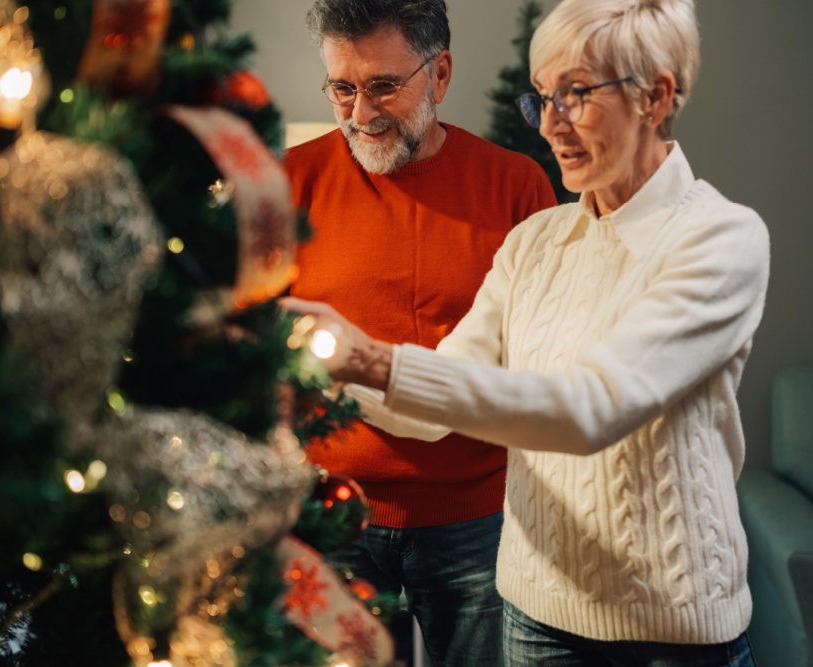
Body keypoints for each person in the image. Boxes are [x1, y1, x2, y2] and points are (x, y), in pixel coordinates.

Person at [284, 0, 769, 665]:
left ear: (655, 98)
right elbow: (437, 401)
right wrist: (329, 360)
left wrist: (367, 359)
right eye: (542, 98)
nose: (550, 124)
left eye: (576, 96)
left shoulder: (721, 239)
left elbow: (592, 408)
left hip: (669, 628)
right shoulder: (535, 242)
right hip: (535, 611)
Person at [283, 1, 557, 665]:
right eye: (342, 89)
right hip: (327, 513)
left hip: (478, 517)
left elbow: (542, 367)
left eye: (383, 86)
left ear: (440, 75)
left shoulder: (515, 185)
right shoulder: (289, 183)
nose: (360, 113)